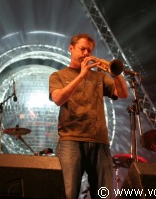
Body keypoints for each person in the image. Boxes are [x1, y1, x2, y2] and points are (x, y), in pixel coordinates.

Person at [49, 33, 129, 199]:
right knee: (68, 193)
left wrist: (115, 73)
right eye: (82, 49)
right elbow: (58, 99)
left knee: (104, 194)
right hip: (70, 140)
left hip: (99, 140)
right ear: (71, 49)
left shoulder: (100, 76)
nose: (86, 53)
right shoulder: (58, 76)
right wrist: (82, 75)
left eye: (89, 50)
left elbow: (123, 93)